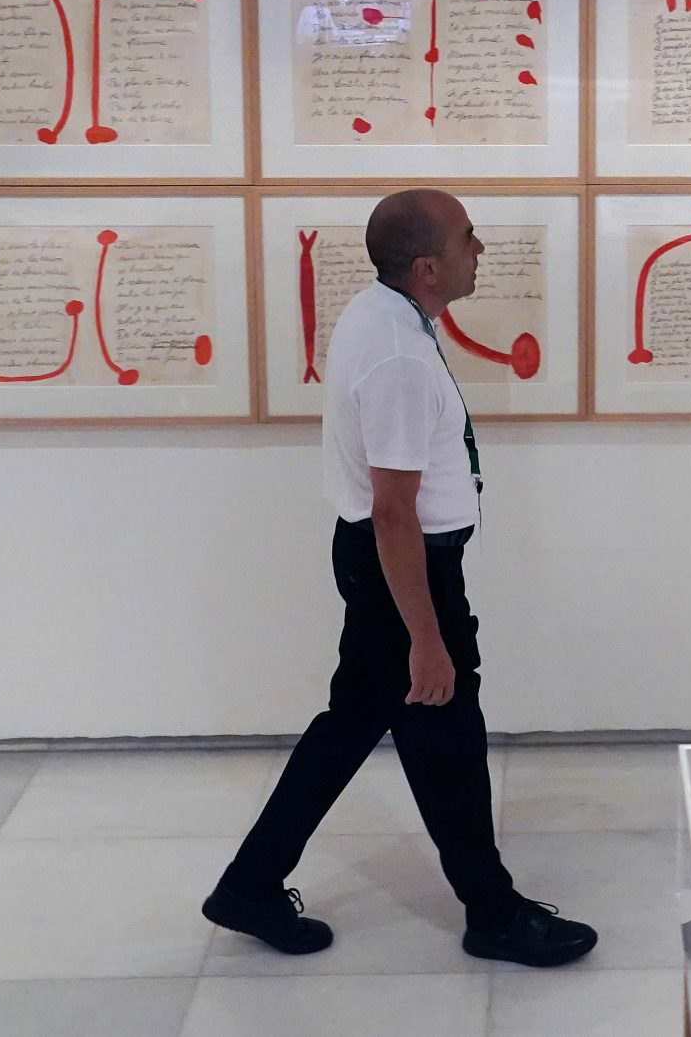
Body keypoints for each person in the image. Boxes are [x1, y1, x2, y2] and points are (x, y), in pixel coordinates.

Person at [203, 188, 598, 968]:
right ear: (427, 267)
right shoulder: (398, 357)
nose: (479, 249)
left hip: (383, 559)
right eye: (467, 238)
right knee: (447, 735)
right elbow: (393, 511)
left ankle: (249, 884)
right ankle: (493, 913)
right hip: (403, 567)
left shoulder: (381, 313)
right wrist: (426, 635)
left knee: (353, 725)